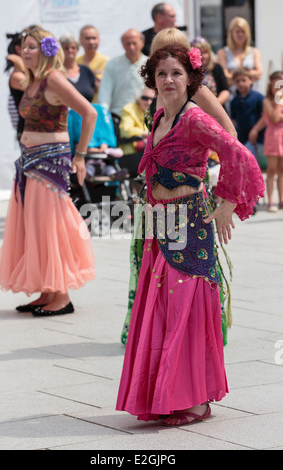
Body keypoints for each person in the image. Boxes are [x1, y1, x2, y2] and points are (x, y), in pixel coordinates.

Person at [116, 44, 265, 425]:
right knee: (161, 312)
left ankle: (196, 400)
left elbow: (237, 154)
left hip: (188, 225)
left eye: (177, 73)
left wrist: (228, 202)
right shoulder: (158, 117)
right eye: (162, 73)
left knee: (186, 310)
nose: (169, 80)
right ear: (152, 78)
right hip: (158, 223)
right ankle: (165, 395)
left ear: (191, 79)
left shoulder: (194, 118)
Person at [120, 27, 236, 349]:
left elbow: (230, 137)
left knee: (187, 278)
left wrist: (206, 175)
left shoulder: (192, 92)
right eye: (162, 54)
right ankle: (155, 340)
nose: (169, 74)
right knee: (153, 272)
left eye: (176, 53)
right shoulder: (162, 90)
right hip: (156, 203)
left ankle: (192, 348)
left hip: (187, 201)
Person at [0, 28, 97, 316]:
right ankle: (47, 290)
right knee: (35, 226)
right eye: (24, 46)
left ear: (46, 50)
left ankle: (62, 295)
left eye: (32, 47)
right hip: (30, 160)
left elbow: (90, 112)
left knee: (50, 226)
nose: (26, 51)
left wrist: (81, 156)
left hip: (50, 162)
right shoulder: (34, 80)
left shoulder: (54, 78)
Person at [98, 29, 147, 135]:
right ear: (122, 45)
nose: (131, 47)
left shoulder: (150, 64)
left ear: (142, 43)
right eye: (127, 44)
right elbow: (104, 95)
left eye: (134, 43)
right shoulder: (112, 64)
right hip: (117, 118)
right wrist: (104, 119)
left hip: (143, 119)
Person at [217, 16, 263, 112]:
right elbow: (224, 77)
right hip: (231, 99)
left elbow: (259, 74)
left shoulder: (254, 51)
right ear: (231, 33)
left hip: (252, 98)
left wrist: (234, 74)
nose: (240, 34)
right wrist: (248, 74)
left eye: (243, 31)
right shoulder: (223, 52)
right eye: (237, 31)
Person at [118, 87, 155, 177]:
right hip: (131, 154)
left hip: (148, 152)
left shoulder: (154, 110)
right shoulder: (129, 109)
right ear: (138, 98)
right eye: (145, 98)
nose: (148, 102)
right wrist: (147, 133)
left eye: (152, 99)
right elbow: (125, 131)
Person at [230, 67, 265, 161]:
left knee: (252, 163)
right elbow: (233, 120)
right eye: (237, 81)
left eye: (244, 80)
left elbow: (265, 117)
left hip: (257, 139)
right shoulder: (234, 101)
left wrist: (255, 130)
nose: (241, 83)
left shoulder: (259, 97)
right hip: (242, 138)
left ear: (251, 80)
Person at [263, 71, 283, 212]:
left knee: (282, 171)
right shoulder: (267, 101)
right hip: (273, 137)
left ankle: (281, 200)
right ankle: (271, 201)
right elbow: (275, 118)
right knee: (271, 170)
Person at [191, 37, 229, 107]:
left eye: (205, 52)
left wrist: (215, 104)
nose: (202, 56)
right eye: (199, 53)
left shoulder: (216, 68)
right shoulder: (189, 71)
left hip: (216, 108)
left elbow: (225, 90)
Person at [77, 25, 109, 103]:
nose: (91, 42)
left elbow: (104, 88)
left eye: (94, 38)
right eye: (87, 38)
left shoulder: (106, 61)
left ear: (99, 40)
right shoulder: (75, 61)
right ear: (80, 40)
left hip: (98, 106)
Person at [60, 33, 95, 103]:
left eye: (73, 48)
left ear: (77, 50)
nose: (70, 50)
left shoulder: (86, 71)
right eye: (66, 48)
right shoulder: (57, 72)